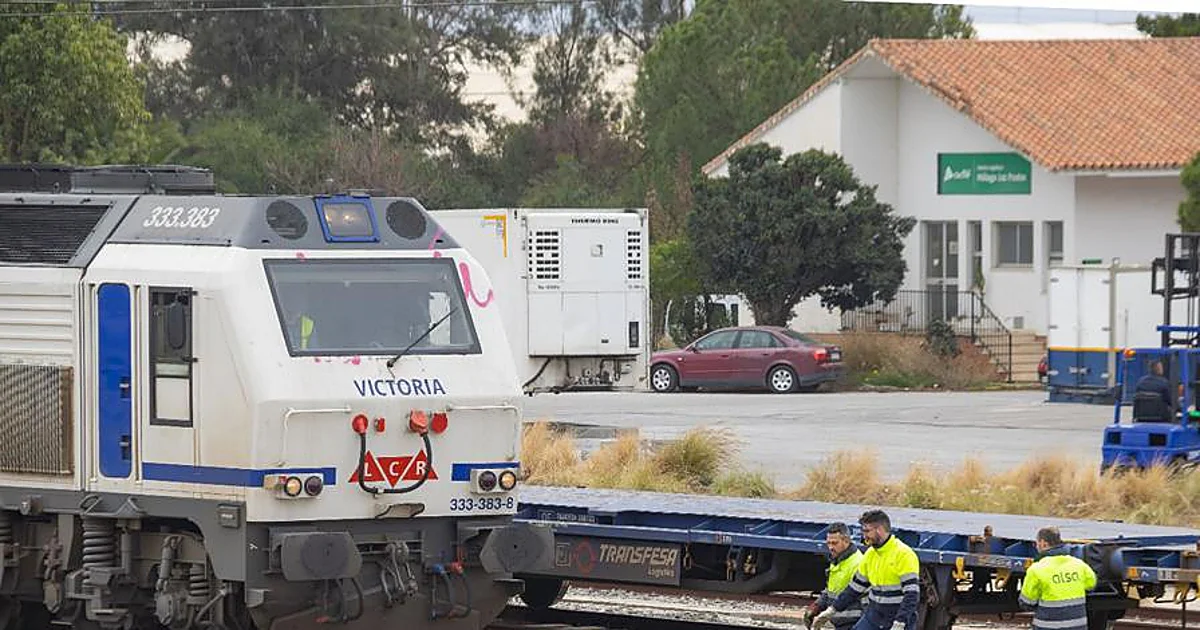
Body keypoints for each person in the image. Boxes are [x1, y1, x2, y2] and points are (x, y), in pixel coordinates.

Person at [813, 510, 920, 630]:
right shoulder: (870, 555)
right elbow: (854, 589)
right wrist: (832, 610)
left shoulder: (904, 554)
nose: (864, 536)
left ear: (879, 530)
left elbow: (912, 595)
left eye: (867, 531)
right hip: (875, 615)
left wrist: (900, 622)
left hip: (897, 616)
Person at [1019, 527, 1097, 630]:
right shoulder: (1079, 565)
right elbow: (1091, 585)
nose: (1036, 546)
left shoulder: (1036, 569)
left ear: (1043, 543)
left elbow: (1027, 602)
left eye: (1036, 543)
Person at [803, 523, 865, 630]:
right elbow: (831, 590)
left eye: (834, 543)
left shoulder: (858, 563)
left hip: (853, 623)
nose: (830, 547)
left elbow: (867, 602)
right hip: (840, 623)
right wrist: (816, 606)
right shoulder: (837, 560)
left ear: (846, 541)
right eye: (828, 543)